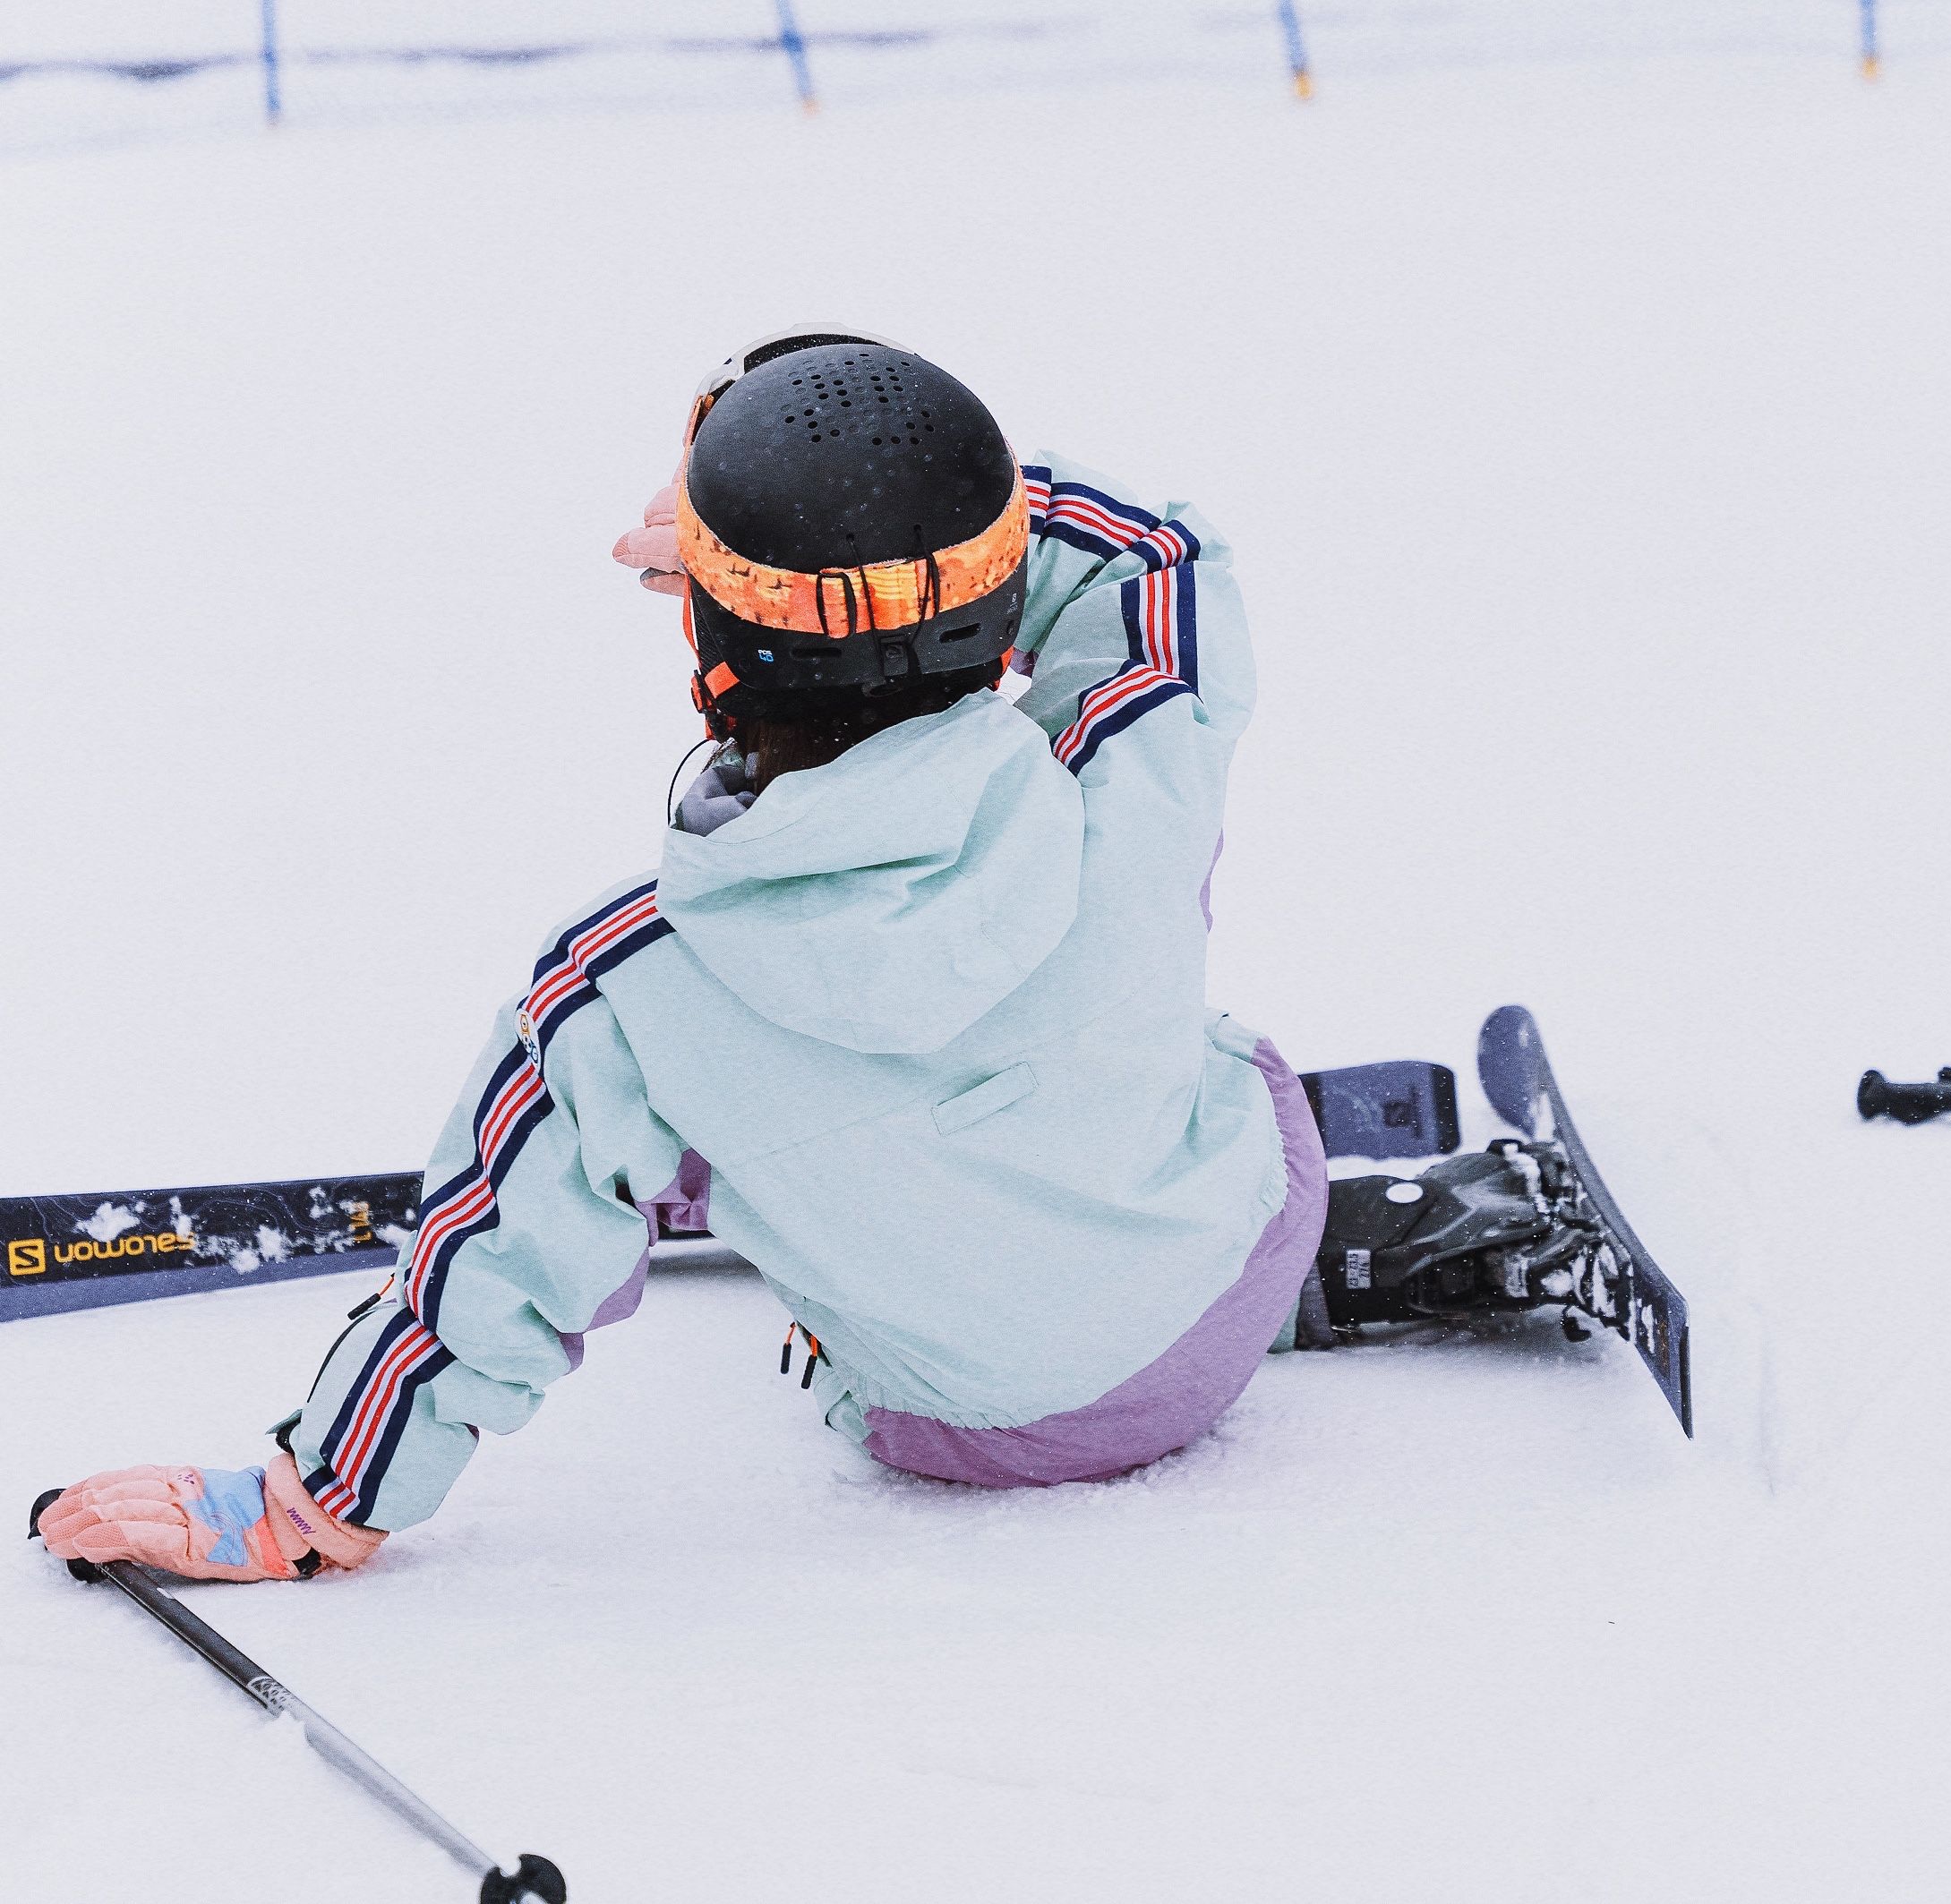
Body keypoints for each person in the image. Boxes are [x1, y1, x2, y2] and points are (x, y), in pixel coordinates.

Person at [37, 329, 1321, 1582]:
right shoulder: (1129, 758)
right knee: (1204, 1037)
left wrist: (304, 1506)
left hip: (974, 1428)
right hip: (1247, 1258)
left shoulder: (629, 984)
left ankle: (756, 1154)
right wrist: (913, 537)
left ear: (712, 640)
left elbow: (482, 1279)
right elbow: (1156, 555)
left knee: (652, 1101)